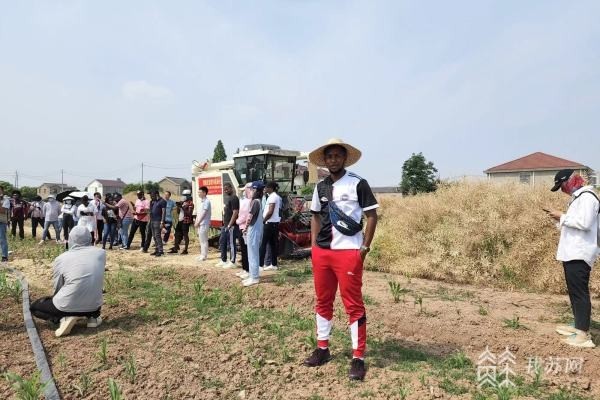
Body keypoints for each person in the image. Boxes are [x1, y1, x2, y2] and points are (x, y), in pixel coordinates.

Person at [303, 138, 378, 381]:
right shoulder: (320, 187)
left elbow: (372, 216)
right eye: (329, 156)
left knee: (353, 305)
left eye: (337, 156)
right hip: (322, 253)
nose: (333, 160)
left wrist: (364, 248)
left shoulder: (358, 183)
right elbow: (315, 216)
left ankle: (358, 357)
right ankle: (322, 349)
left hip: (349, 253)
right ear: (324, 161)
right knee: (322, 301)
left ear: (344, 158)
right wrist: (314, 247)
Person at [546, 169, 599, 348]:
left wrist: (562, 216)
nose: (562, 190)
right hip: (572, 252)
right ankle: (579, 327)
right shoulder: (578, 198)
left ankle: (583, 335)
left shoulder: (587, 198)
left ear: (570, 181)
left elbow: (584, 223)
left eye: (561, 185)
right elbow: (573, 224)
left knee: (579, 293)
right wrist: (558, 220)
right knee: (575, 292)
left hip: (580, 252)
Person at [30, 226, 105, 337]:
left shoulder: (61, 258)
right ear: (90, 238)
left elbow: (58, 286)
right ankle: (93, 318)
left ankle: (64, 317)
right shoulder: (101, 253)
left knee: (34, 307)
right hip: (94, 306)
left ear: (71, 240)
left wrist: (55, 300)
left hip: (67, 305)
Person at [241, 181, 264, 287]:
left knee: (252, 254)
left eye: (251, 190)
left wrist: (245, 229)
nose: (250, 191)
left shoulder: (255, 202)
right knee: (252, 253)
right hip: (257, 229)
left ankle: (254, 277)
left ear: (255, 190)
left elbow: (249, 217)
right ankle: (252, 275)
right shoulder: (260, 201)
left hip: (253, 230)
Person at [216, 183, 240, 269]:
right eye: (224, 189)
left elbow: (235, 212)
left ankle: (232, 261)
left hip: (231, 225)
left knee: (231, 244)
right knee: (222, 242)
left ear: (231, 188)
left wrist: (230, 224)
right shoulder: (228, 198)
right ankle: (223, 260)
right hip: (225, 225)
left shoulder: (234, 198)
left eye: (227, 189)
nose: (225, 191)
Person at [260, 181, 282, 271]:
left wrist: (263, 220)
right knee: (273, 244)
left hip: (269, 223)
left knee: (263, 244)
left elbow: (270, 211)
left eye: (266, 187)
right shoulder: (274, 197)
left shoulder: (272, 197)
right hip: (274, 224)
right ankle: (273, 264)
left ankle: (260, 265)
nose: (265, 189)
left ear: (271, 188)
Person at [235, 183, 252, 278]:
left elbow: (244, 216)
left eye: (243, 190)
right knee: (243, 250)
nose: (241, 192)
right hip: (242, 227)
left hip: (244, 228)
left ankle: (247, 270)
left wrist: (237, 221)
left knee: (245, 250)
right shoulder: (244, 200)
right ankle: (244, 269)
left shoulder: (248, 201)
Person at [169, 190, 194, 255]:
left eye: (185, 195)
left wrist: (182, 207)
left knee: (185, 235)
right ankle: (176, 247)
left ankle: (185, 249)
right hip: (180, 220)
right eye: (183, 195)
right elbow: (178, 212)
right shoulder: (182, 202)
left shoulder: (190, 203)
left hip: (186, 221)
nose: (183, 196)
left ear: (188, 196)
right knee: (177, 234)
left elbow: (189, 213)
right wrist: (178, 206)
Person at [143, 190, 166, 256]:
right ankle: (157, 249)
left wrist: (162, 222)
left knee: (157, 236)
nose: (151, 197)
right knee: (154, 236)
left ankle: (160, 250)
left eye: (152, 195)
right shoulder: (153, 201)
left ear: (156, 194)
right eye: (150, 195)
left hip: (158, 221)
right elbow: (151, 211)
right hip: (152, 220)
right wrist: (148, 211)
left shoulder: (162, 201)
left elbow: (163, 212)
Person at [194, 187, 211, 261]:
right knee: (201, 240)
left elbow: (204, 213)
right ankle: (202, 254)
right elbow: (199, 213)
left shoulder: (207, 201)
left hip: (204, 223)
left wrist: (198, 222)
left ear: (204, 193)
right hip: (200, 223)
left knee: (204, 240)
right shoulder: (201, 201)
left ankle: (204, 255)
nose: (198, 193)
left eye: (200, 192)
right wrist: (196, 221)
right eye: (198, 192)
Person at [0, 185, 10, 262]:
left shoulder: (6, 200)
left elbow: (3, 210)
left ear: (2, 191)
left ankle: (4, 256)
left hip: (1, 222)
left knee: (2, 239)